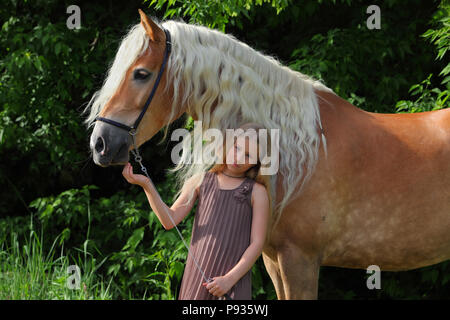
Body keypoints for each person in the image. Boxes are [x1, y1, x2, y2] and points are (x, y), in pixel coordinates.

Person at [122, 122, 272, 299]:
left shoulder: (257, 192)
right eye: (236, 147)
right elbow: (169, 220)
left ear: (258, 161)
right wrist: (146, 185)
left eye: (248, 155)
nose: (238, 157)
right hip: (198, 277)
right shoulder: (200, 180)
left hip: (233, 282)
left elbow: (257, 243)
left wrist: (229, 279)